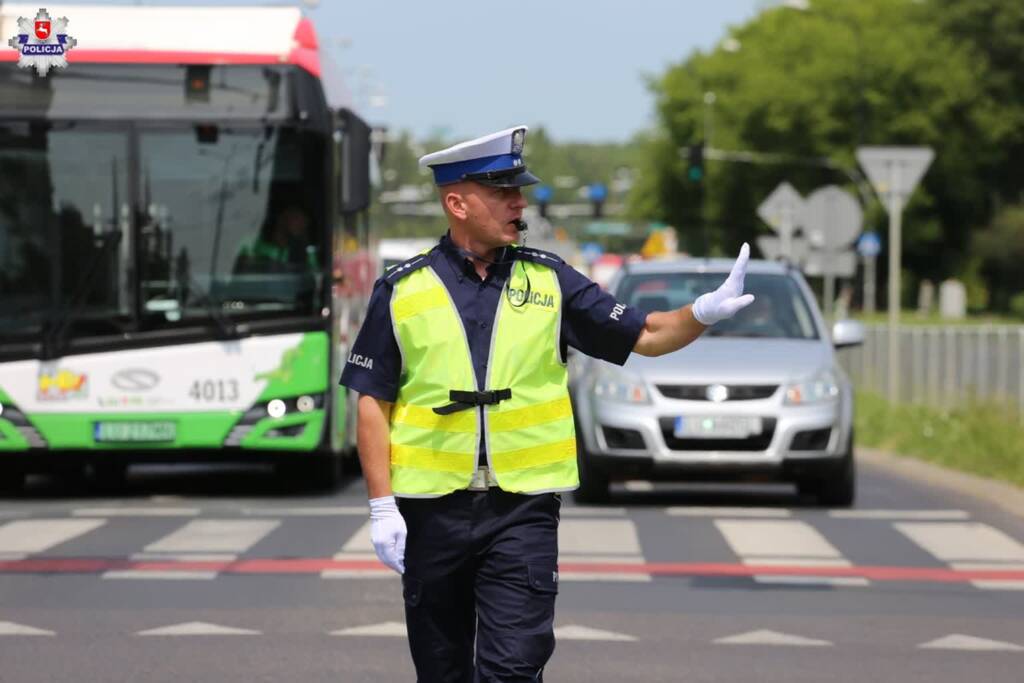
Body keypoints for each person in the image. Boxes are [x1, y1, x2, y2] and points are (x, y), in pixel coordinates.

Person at [339, 125, 754, 682]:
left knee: (513, 668)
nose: (519, 203)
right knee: (441, 671)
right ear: (457, 203)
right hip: (431, 511)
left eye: (519, 191)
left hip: (522, 511)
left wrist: (700, 313)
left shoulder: (551, 281)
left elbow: (646, 334)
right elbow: (373, 401)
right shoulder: (402, 289)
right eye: (503, 192)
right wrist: (382, 506)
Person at [233, 205, 316, 273]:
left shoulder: (307, 252)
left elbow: (314, 276)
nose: (303, 222)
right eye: (296, 217)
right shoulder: (251, 241)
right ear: (282, 217)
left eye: (305, 219)